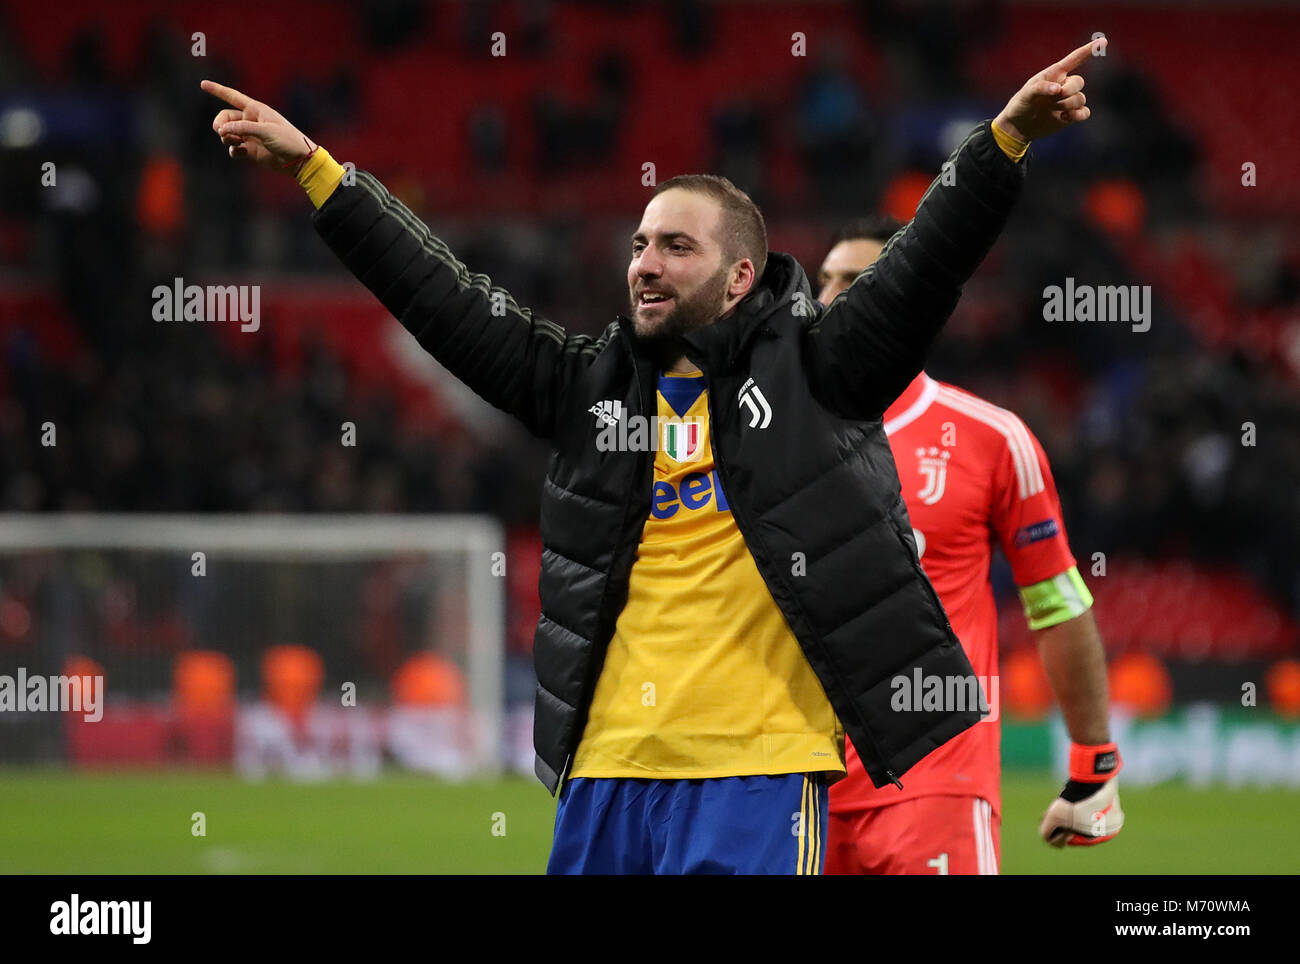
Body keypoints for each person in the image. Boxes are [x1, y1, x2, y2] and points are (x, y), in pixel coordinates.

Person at [202, 38, 1101, 874]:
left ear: (740, 276)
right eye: (639, 245)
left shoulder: (818, 375)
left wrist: (1005, 140)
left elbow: (923, 268)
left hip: (755, 774)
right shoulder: (587, 388)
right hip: (603, 773)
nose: (646, 263)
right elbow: (449, 302)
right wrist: (322, 176)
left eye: (677, 245)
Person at [816, 217, 1123, 875]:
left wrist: (1093, 763)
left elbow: (1058, 603)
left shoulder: (990, 438)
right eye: (824, 281)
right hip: (788, 787)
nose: (828, 299)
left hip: (936, 783)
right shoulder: (763, 437)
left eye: (855, 281)